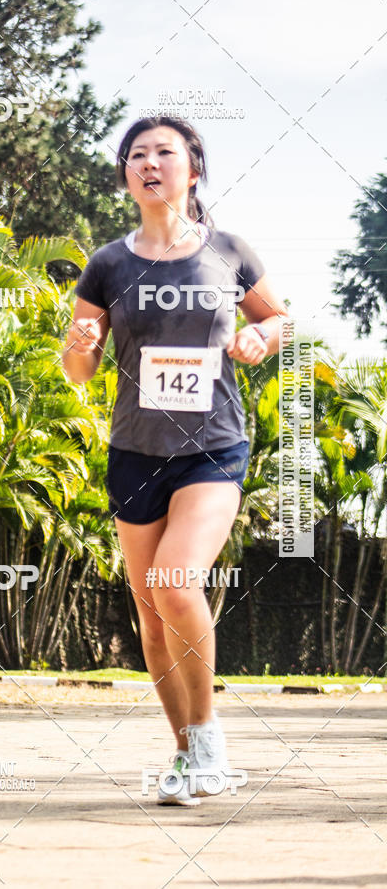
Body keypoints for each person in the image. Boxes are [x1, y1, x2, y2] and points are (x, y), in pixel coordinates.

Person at [62, 116, 289, 805]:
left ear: (193, 168)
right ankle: (188, 755)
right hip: (134, 453)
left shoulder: (228, 251)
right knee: (152, 618)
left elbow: (278, 318)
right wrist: (78, 341)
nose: (150, 161)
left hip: (212, 450)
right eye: (137, 154)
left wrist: (264, 338)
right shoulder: (108, 264)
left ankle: (212, 740)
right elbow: (80, 371)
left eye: (166, 151)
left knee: (175, 581)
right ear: (127, 175)